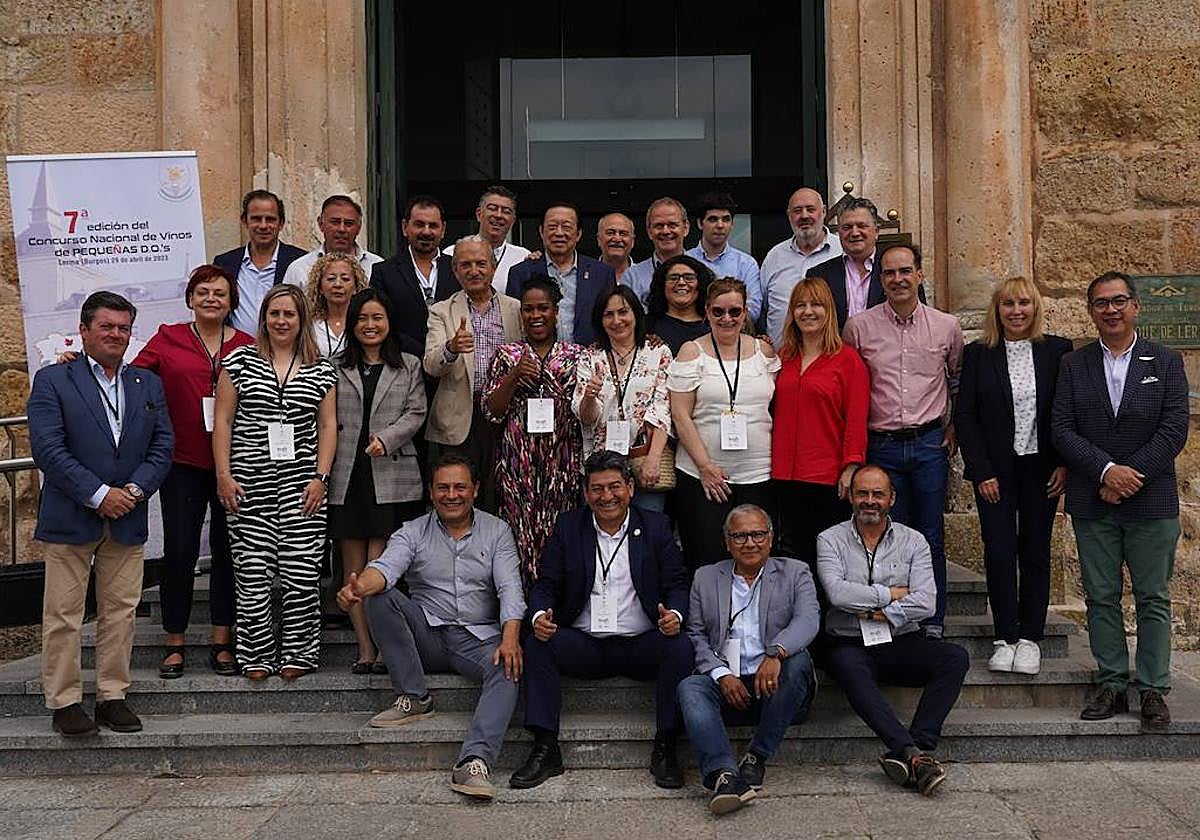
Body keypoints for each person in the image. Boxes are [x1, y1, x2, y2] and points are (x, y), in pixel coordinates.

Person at [337, 455, 525, 801]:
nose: (451, 495)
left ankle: (474, 762)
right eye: (443, 487)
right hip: (428, 637)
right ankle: (414, 696)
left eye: (459, 487)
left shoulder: (496, 530)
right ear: (431, 491)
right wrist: (358, 588)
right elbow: (385, 567)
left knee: (509, 664)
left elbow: (510, 587)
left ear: (475, 490)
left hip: (477, 640)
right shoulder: (412, 531)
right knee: (381, 597)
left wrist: (511, 637)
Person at [30, 291, 173, 736]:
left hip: (127, 513)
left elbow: (162, 446)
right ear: (85, 330)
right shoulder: (54, 380)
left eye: (123, 328)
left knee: (120, 612)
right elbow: (48, 450)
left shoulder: (145, 384)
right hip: (72, 515)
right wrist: (97, 494)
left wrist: (131, 491)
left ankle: (113, 695)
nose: (116, 334)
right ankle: (65, 702)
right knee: (64, 614)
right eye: (107, 326)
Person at [1052, 271, 1189, 726]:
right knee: (1101, 596)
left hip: (1151, 500)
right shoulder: (1074, 365)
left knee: (1152, 597)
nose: (1110, 310)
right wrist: (1107, 471)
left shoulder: (1165, 361)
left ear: (1135, 306)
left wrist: (1132, 474)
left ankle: (1152, 688)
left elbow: (1174, 429)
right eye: (1100, 303)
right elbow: (1062, 429)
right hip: (1094, 498)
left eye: (1118, 301)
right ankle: (1112, 683)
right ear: (1090, 311)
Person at [512, 451, 692, 790]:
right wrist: (538, 616)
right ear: (585, 492)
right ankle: (545, 747)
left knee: (680, 647)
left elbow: (677, 582)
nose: (606, 496)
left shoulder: (655, 527)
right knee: (538, 643)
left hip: (640, 644)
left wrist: (676, 615)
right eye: (597, 489)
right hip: (585, 644)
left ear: (631, 488)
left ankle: (667, 746)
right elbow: (545, 583)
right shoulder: (568, 526)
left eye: (614, 487)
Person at [131, 266, 255, 679]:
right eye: (203, 292)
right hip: (181, 461)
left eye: (220, 293)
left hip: (234, 465)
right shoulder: (168, 338)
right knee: (180, 551)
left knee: (227, 553)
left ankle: (223, 640)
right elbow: (131, 381)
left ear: (231, 301)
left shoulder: (249, 346)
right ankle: (174, 641)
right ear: (189, 298)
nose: (211, 299)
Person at [817, 465, 969, 796]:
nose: (869, 501)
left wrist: (879, 612)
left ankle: (917, 745)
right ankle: (913, 755)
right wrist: (894, 595)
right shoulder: (829, 539)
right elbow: (837, 594)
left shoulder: (914, 541)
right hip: (849, 641)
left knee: (954, 657)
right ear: (851, 496)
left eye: (877, 494)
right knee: (848, 667)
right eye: (863, 494)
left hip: (901, 640)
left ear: (892, 498)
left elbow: (927, 602)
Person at [213, 284, 337, 680]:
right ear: (263, 318)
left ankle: (300, 653)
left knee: (301, 574)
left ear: (302, 321)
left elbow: (328, 425)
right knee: (252, 573)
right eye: (274, 314)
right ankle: (256, 655)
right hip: (248, 483)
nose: (281, 321)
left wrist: (321, 477)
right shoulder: (239, 362)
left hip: (303, 484)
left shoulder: (322, 369)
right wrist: (223, 476)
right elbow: (223, 423)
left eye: (289, 314)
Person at [843, 244, 963, 637]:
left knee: (929, 535)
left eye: (905, 271)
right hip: (881, 446)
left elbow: (959, 380)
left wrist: (954, 427)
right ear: (881, 280)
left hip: (928, 444)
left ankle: (931, 619)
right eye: (890, 273)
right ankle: (890, 615)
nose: (898, 279)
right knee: (884, 534)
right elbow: (849, 387)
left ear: (920, 275)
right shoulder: (859, 326)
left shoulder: (946, 326)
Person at [956, 277, 1072, 675]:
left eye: (1024, 303)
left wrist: (1064, 463)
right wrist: (981, 470)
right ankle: (1005, 636)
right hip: (996, 472)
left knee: (1036, 551)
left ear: (1035, 307)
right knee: (1000, 550)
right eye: (1008, 304)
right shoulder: (979, 354)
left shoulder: (1057, 351)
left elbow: (1065, 411)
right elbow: (966, 415)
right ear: (997, 310)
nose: (1016, 311)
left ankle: (1031, 638)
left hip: (1042, 468)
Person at [677, 504, 819, 815]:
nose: (750, 543)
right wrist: (720, 674)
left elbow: (809, 620)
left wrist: (776, 652)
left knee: (798, 663)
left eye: (757, 534)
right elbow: (696, 634)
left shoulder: (795, 572)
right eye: (740, 536)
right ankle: (725, 775)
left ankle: (757, 755)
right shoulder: (706, 577)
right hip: (731, 684)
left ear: (770, 538)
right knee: (690, 687)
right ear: (727, 542)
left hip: (778, 686)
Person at [328, 287, 427, 673]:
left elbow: (416, 412)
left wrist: (386, 439)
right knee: (352, 568)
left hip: (391, 474)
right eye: (362, 319)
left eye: (377, 318)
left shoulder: (409, 364)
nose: (370, 326)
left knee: (378, 566)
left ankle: (386, 646)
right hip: (346, 476)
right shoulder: (334, 366)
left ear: (389, 323)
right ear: (352, 324)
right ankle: (365, 648)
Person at [669, 278, 780, 571]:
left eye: (735, 311)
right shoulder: (691, 352)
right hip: (702, 477)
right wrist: (706, 468)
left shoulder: (764, 352)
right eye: (718, 312)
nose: (727, 319)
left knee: (756, 560)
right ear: (706, 311)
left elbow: (773, 407)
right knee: (706, 560)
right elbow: (680, 416)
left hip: (758, 475)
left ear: (745, 313)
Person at [483, 276, 585, 591]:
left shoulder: (575, 355)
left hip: (561, 462)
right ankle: (519, 613)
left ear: (556, 311)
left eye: (543, 308)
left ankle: (554, 608)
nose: (535, 315)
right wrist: (514, 376)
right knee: (517, 537)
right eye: (528, 309)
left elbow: (583, 412)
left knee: (560, 536)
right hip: (517, 464)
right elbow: (491, 411)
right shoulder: (507, 354)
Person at [771, 276, 869, 576]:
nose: (808, 312)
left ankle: (827, 622)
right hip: (783, 474)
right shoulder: (782, 358)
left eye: (816, 305)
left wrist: (851, 466)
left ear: (829, 311)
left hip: (826, 476)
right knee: (792, 555)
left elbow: (856, 418)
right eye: (800, 305)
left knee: (826, 559)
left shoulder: (847, 361)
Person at [424, 236, 523, 513]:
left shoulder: (515, 309)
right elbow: (431, 365)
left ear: (493, 267)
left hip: (507, 415)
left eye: (481, 263)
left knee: (503, 494)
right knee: (461, 497)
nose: (474, 271)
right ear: (455, 271)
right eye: (465, 265)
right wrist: (451, 348)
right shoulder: (442, 311)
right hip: (460, 420)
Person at [572, 285, 674, 512]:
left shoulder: (658, 353)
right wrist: (589, 396)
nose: (617, 320)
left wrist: (654, 459)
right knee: (601, 534)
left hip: (644, 460)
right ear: (600, 320)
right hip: (601, 466)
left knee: (647, 532)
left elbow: (663, 409)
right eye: (608, 314)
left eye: (623, 312)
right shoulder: (590, 356)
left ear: (636, 315)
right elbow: (586, 419)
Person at [505, 203, 616, 346]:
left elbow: (611, 318)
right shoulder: (521, 273)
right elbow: (514, 324)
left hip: (589, 361)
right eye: (552, 227)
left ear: (578, 234)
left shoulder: (601, 273)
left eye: (566, 227)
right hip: (538, 361)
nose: (559, 233)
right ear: (541, 231)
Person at [372, 194, 459, 357]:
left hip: (452, 364)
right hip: (403, 365)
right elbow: (382, 323)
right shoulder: (384, 272)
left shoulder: (458, 269)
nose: (426, 232)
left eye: (433, 225)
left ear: (443, 230)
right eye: (419, 225)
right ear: (405, 227)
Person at [213, 189, 307, 334]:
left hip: (283, 350)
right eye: (256, 219)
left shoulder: (299, 261)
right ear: (245, 221)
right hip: (236, 352)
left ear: (281, 223)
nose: (263, 226)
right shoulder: (225, 263)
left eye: (270, 219)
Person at [759, 187, 842, 344]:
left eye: (810, 209)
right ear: (789, 216)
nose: (804, 216)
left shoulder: (842, 252)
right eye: (797, 211)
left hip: (830, 359)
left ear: (823, 212)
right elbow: (763, 309)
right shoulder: (774, 257)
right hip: (782, 361)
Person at [685, 192, 762, 323]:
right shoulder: (685, 261)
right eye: (713, 219)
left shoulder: (746, 264)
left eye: (726, 219)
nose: (720, 225)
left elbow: (754, 309)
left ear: (732, 224)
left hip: (735, 336)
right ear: (700, 223)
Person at [443, 185, 532, 295]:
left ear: (513, 220)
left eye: (506, 211)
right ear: (479, 214)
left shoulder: (523, 257)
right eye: (492, 208)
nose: (499, 215)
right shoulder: (451, 253)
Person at [282, 194, 382, 288]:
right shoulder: (300, 268)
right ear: (321, 224)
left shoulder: (376, 266)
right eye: (335, 222)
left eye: (348, 223)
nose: (341, 229)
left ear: (359, 228)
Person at [624, 197, 690, 307]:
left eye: (672, 225)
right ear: (649, 232)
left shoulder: (703, 272)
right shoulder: (632, 277)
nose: (666, 231)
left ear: (686, 228)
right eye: (659, 226)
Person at [646, 254, 714, 355]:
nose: (681, 283)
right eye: (673, 278)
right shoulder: (646, 325)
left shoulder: (714, 325)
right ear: (662, 285)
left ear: (700, 284)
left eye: (689, 278)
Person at [306, 251, 368, 357]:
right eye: (331, 279)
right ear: (319, 287)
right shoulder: (309, 324)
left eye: (345, 279)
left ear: (356, 287)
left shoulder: (364, 322)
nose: (338, 284)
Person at [596, 212, 636, 282]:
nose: (617, 239)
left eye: (623, 234)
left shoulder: (645, 275)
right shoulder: (586, 275)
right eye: (610, 233)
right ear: (599, 239)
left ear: (632, 241)